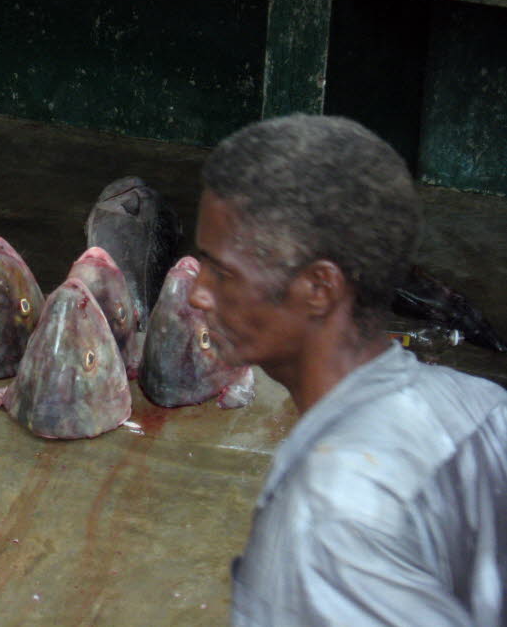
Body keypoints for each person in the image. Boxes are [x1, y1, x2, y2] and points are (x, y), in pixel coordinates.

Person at [188, 114, 507, 625]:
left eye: (222, 272)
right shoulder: (481, 403)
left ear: (320, 288)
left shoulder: (323, 522)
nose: (197, 292)